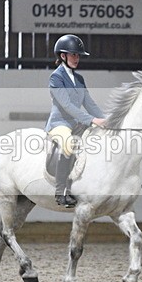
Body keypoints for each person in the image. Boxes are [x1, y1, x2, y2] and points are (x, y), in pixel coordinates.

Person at [45, 34, 106, 208]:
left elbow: (89, 102)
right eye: (73, 54)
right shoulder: (56, 78)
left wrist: (105, 120)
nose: (76, 58)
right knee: (68, 144)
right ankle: (61, 191)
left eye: (78, 55)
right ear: (62, 56)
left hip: (78, 124)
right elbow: (67, 106)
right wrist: (92, 119)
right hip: (60, 124)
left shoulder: (79, 79)